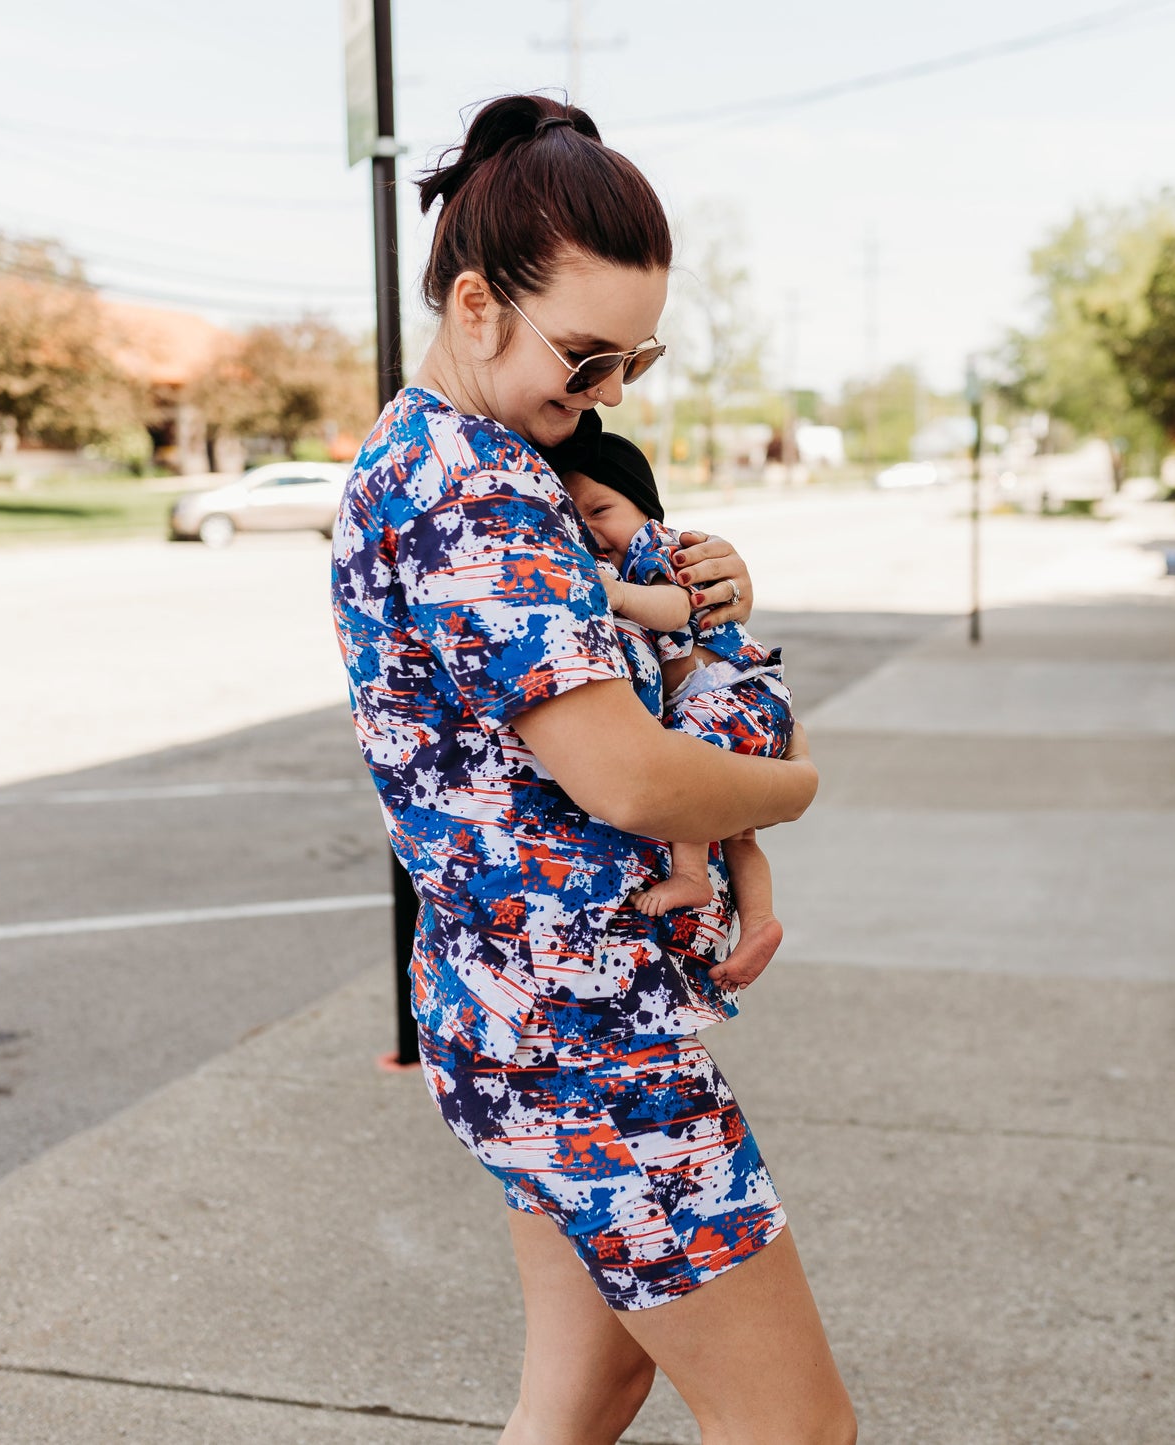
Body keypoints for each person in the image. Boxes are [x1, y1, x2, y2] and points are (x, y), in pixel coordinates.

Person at [332, 93, 855, 1445]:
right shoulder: (473, 491)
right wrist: (793, 793)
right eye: (584, 356)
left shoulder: (466, 462)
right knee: (797, 1430)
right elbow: (627, 778)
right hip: (585, 1043)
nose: (608, 394)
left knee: (590, 1385)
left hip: (523, 1017)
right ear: (473, 306)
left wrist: (704, 618)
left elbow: (646, 700)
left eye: (634, 361)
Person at [545, 409, 786, 988]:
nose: (593, 531)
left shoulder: (658, 550)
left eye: (602, 511)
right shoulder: (626, 555)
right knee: (738, 831)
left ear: (645, 508)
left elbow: (675, 610)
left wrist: (616, 595)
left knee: (687, 792)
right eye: (578, 521)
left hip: (721, 701)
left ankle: (691, 877)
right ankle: (760, 922)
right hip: (756, 703)